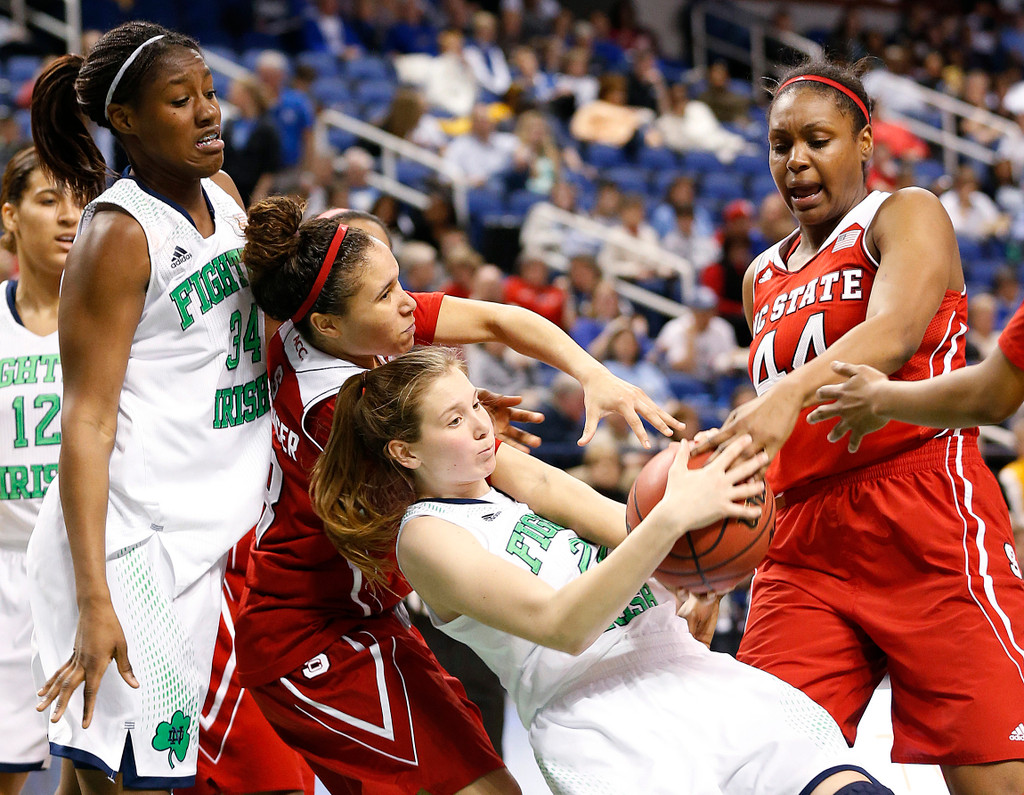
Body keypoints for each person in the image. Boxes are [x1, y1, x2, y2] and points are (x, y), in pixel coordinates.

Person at [234, 199, 681, 793]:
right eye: (385, 293)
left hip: (369, 614)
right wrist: (667, 536)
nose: (405, 303)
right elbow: (525, 476)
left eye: (400, 282)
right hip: (308, 638)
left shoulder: (323, 325)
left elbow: (501, 321)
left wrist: (591, 374)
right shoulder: (342, 409)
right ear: (330, 325)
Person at [309, 345, 897, 795]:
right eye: (454, 421)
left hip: (685, 671)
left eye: (476, 406)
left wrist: (696, 562)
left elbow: (627, 526)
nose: (484, 426)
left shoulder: (496, 475)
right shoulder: (426, 536)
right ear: (405, 452)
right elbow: (561, 623)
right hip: (603, 720)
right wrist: (668, 523)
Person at [703, 58, 1024, 794]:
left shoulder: (904, 212)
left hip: (925, 508)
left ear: (864, 141)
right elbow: (763, 419)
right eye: (781, 144)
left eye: (818, 138)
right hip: (805, 534)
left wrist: (786, 396)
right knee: (761, 765)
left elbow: (893, 332)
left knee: (997, 784)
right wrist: (711, 552)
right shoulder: (762, 277)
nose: (797, 159)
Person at [24, 22, 289, 795]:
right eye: (181, 100)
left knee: (108, 776)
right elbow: (87, 420)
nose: (209, 113)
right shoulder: (118, 234)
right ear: (128, 121)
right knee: (146, 781)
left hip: (212, 529)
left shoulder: (226, 195)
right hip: (135, 544)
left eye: (209, 93)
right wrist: (95, 596)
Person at [0, 147, 81, 795]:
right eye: (49, 199)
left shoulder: (119, 321)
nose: (69, 217)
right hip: (6, 573)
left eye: (81, 201)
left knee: (98, 774)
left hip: (94, 576)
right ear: (11, 214)